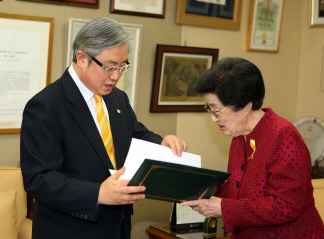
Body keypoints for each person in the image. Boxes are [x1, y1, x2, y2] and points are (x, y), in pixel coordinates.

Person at [20, 17, 187, 239]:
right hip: (70, 231)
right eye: (109, 67)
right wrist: (97, 193)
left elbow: (135, 135)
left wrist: (161, 142)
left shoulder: (117, 98)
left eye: (122, 66)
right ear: (82, 58)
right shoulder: (46, 105)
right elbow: (38, 180)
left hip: (117, 228)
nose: (116, 76)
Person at [180, 57, 324, 238]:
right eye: (209, 110)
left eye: (217, 111)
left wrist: (224, 208)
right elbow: (238, 187)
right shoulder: (240, 136)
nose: (214, 118)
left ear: (246, 105)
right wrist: (201, 190)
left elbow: (286, 206)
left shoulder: (283, 136)